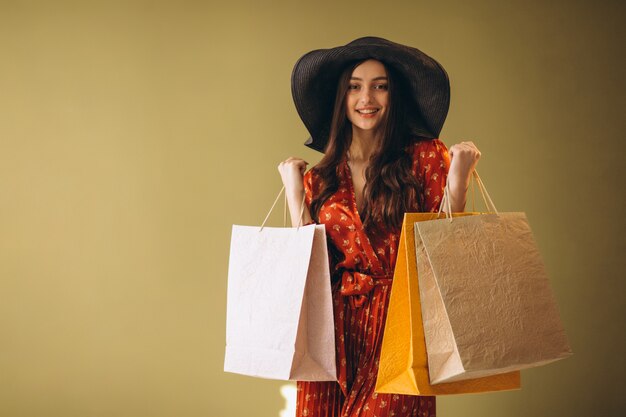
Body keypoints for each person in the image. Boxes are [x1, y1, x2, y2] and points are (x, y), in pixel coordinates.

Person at [278, 37, 480, 417]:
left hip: (398, 325)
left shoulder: (424, 156)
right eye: (355, 86)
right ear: (342, 97)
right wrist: (293, 191)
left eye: (379, 85)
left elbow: (445, 242)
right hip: (332, 329)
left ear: (394, 95)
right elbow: (306, 265)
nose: (366, 97)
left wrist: (459, 180)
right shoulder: (321, 177)